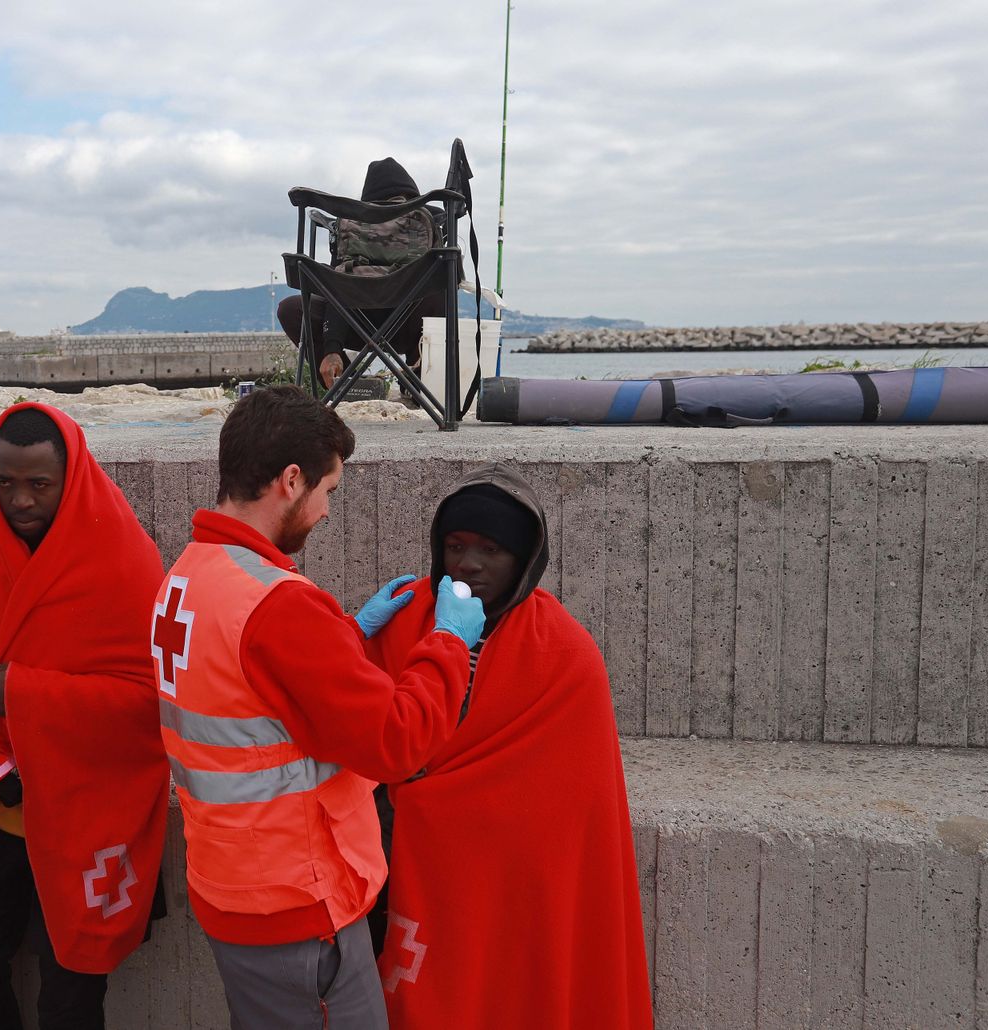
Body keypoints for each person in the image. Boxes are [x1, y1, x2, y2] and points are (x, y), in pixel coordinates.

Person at [151, 385, 486, 1029]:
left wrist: (350, 635)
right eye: (328, 491)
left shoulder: (188, 577)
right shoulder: (281, 606)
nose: (327, 510)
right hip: (298, 907)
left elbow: (248, 691)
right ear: (290, 479)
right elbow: (395, 740)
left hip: (232, 887)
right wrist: (448, 641)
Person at [0, 403, 171, 1030]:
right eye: (4, 483)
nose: (19, 500)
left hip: (87, 805)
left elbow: (146, 702)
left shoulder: (123, 557)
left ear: (70, 476)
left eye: (38, 485)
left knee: (72, 1003)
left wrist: (24, 695)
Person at [364, 463, 653, 1029]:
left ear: (524, 562)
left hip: (512, 894)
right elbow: (361, 734)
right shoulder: (406, 620)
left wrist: (428, 803)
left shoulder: (567, 658)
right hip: (398, 874)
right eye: (454, 545)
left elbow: (565, 813)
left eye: (490, 549)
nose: (467, 563)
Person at [277, 156, 446, 388]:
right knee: (438, 284)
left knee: (291, 309)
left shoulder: (351, 224)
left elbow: (336, 289)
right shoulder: (431, 220)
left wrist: (332, 347)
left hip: (356, 323)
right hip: (409, 325)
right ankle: (418, 385)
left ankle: (343, 383)